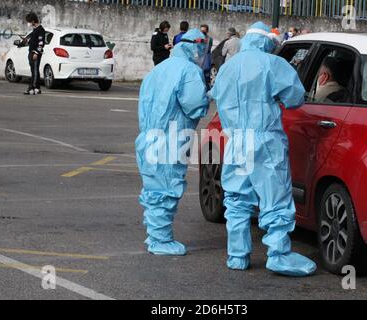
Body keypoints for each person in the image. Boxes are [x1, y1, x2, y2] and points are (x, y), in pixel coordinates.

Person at [210, 21, 317, 276]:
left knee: (236, 198)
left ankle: (237, 255)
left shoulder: (228, 67)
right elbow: (295, 98)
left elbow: (217, 95)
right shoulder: (273, 64)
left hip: (236, 141)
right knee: (275, 198)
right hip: (264, 140)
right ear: (266, 41)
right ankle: (278, 255)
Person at [136, 29, 210, 256]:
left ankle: (155, 235)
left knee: (153, 189)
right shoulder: (189, 71)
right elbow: (194, 105)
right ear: (196, 47)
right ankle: (161, 240)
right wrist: (210, 96)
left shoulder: (157, 70)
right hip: (171, 138)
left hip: (148, 137)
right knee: (166, 189)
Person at [24, 12, 45, 95]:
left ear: (33, 21)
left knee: (35, 71)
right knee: (34, 70)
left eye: (29, 21)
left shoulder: (40, 30)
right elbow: (34, 41)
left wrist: (36, 53)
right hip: (31, 52)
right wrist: (27, 40)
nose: (28, 23)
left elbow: (41, 43)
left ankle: (31, 88)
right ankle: (37, 88)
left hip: (35, 53)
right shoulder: (35, 30)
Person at [200, 24, 213, 89]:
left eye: (203, 31)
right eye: (201, 31)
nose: (202, 32)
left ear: (207, 31)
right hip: (199, 60)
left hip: (206, 59)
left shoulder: (210, 39)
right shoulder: (198, 39)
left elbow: (208, 50)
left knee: (206, 76)